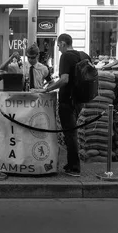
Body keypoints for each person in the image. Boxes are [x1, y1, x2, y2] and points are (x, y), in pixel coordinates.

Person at [36, 33, 84, 176]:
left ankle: (75, 167)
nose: (58, 49)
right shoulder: (81, 55)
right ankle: (70, 164)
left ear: (63, 43)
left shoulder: (66, 57)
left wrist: (48, 89)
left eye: (58, 45)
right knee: (72, 133)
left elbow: (64, 80)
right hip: (78, 101)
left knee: (70, 134)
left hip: (67, 101)